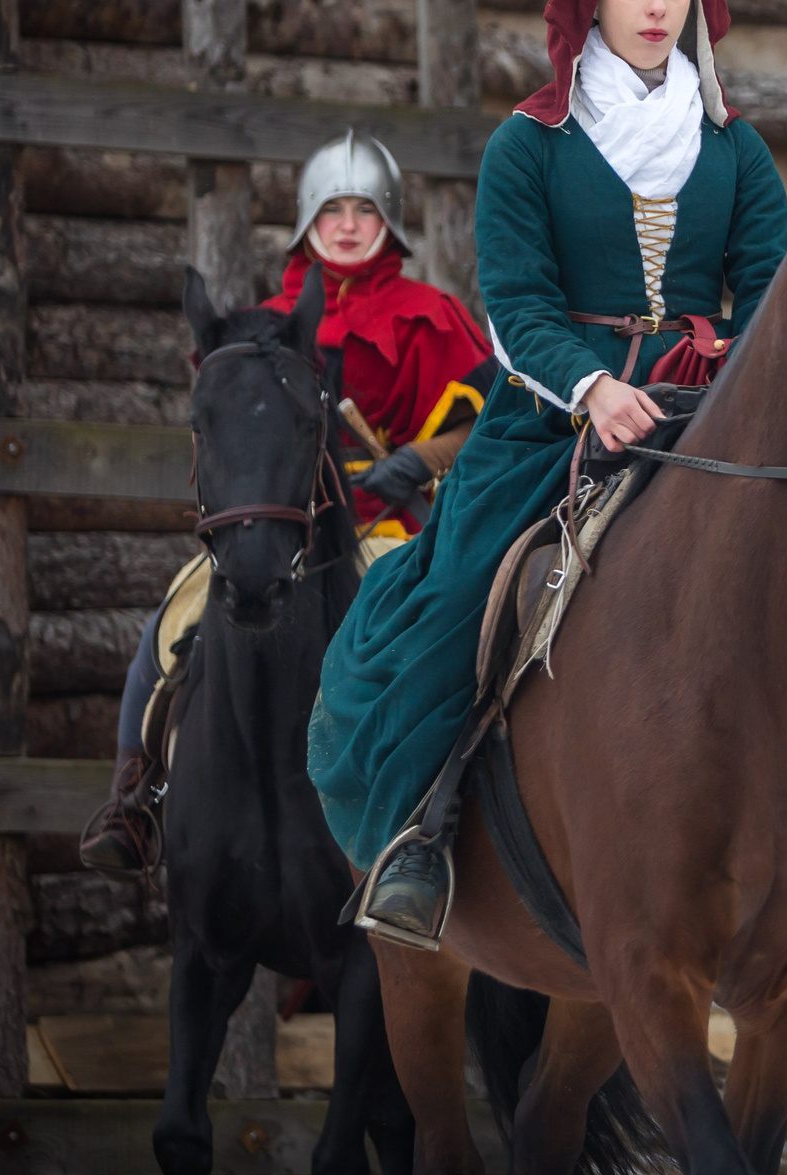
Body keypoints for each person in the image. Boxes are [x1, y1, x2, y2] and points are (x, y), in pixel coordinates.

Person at [306, 0, 787, 947]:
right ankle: (423, 838)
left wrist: (737, 389)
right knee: (460, 593)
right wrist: (595, 388)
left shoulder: (736, 150)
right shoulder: (528, 145)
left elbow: (766, 295)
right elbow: (516, 306)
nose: (657, 5)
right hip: (558, 415)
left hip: (724, 407)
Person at [79, 132, 498, 875]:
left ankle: (443, 806)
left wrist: (418, 460)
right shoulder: (260, 324)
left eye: (362, 210)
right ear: (307, 222)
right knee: (171, 620)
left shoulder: (428, 313)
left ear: (388, 222)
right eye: (330, 209)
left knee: (426, 632)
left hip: (384, 521)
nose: (345, 225)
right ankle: (134, 796)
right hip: (277, 529)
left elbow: (480, 421)